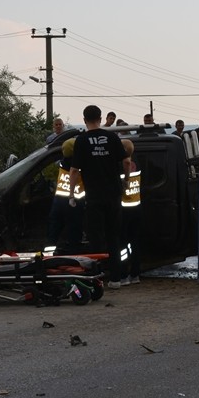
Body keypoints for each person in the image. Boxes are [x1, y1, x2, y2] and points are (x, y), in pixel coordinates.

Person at [70, 105, 127, 288]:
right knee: (113, 236)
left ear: (85, 119)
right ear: (101, 118)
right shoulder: (112, 137)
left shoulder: (81, 140)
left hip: (94, 196)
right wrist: (125, 182)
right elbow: (126, 161)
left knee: (95, 238)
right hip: (113, 195)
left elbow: (74, 170)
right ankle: (116, 279)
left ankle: (96, 279)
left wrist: (71, 194)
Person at [119, 138, 142, 285]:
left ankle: (123, 274)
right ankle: (135, 274)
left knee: (122, 244)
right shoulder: (138, 163)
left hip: (123, 209)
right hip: (136, 206)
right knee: (135, 243)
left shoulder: (122, 165)